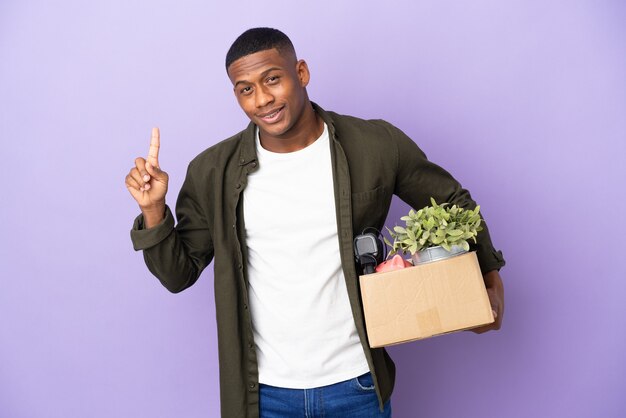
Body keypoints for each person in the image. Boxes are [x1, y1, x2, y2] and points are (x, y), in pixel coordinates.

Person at [125, 27, 505, 418]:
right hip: (264, 395)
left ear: (301, 72)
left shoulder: (374, 145)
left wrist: (489, 279)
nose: (262, 100)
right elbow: (178, 274)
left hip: (357, 384)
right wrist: (155, 211)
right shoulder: (212, 171)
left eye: (272, 79)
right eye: (245, 89)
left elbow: (453, 202)